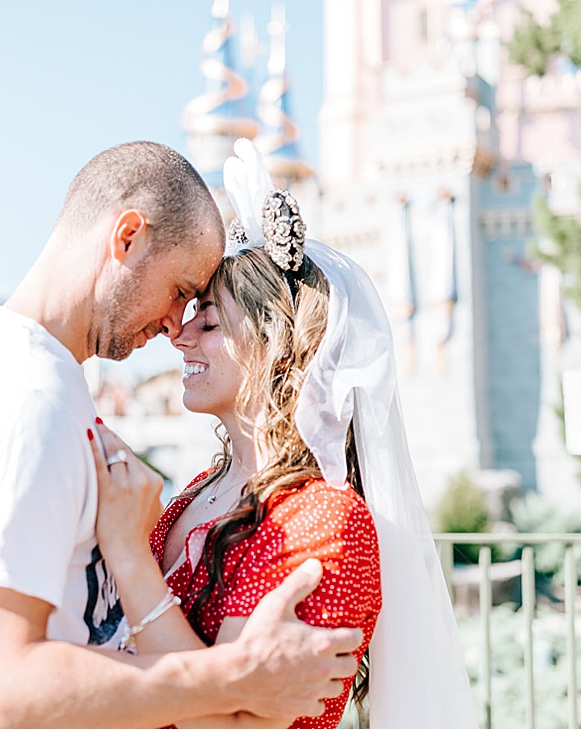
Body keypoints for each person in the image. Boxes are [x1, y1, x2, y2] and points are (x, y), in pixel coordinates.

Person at [0, 140, 364, 728]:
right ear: (127, 238)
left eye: (202, 310)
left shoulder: (42, 384)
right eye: (180, 291)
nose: (177, 326)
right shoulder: (26, 398)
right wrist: (237, 677)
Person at [89, 138, 479, 728]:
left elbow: (231, 722)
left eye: (211, 321)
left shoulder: (322, 521)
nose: (180, 337)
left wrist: (126, 552)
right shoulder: (198, 494)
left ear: (278, 348)